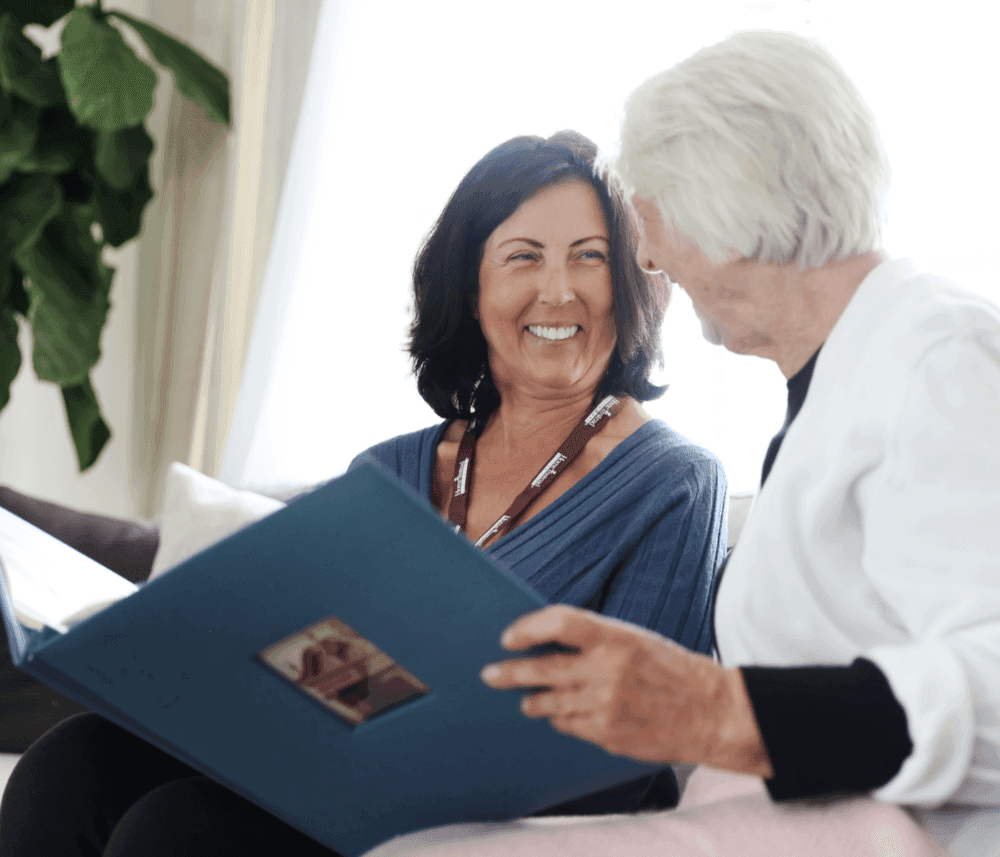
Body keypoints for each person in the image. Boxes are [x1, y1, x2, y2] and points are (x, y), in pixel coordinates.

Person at [355, 30, 1000, 857]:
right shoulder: (847, 378)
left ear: (727, 215)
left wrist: (717, 710)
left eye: (650, 223)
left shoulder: (936, 357)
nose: (651, 257)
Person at [0, 132, 728, 856]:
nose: (559, 289)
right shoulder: (387, 470)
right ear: (472, 290)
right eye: (523, 257)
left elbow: (634, 750)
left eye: (589, 256)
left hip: (506, 821)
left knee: (180, 829)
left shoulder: (672, 482)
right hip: (337, 775)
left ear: (633, 278)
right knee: (68, 765)